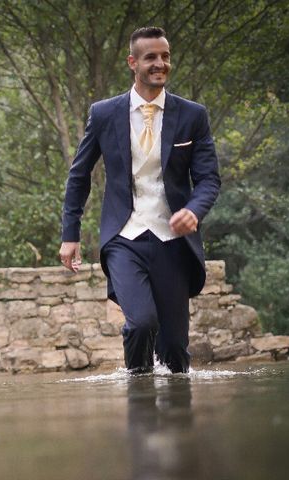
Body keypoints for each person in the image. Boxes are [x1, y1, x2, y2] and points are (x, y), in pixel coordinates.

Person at [59, 27, 220, 374]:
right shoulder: (104, 114)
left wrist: (194, 210)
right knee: (142, 323)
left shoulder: (193, 115)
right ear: (133, 62)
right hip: (124, 237)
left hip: (174, 240)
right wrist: (69, 234)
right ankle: (138, 391)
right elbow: (79, 174)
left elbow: (209, 178)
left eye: (165, 56)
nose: (160, 63)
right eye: (151, 57)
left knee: (176, 352)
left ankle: (176, 422)